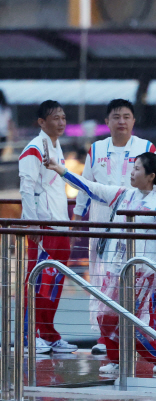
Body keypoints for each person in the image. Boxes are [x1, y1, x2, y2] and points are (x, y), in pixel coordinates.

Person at [44, 152, 156, 374]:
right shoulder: (124, 195)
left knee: (130, 322)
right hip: (117, 269)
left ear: (151, 176)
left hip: (142, 273)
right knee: (105, 316)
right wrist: (60, 169)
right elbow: (90, 188)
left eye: (137, 169)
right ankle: (117, 361)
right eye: (132, 168)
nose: (132, 172)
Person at [72, 99, 156, 355]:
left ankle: (144, 333)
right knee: (102, 282)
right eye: (116, 117)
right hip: (102, 222)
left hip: (136, 223)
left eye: (126, 116)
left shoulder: (146, 147)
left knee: (138, 282)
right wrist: (76, 218)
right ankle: (105, 338)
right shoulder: (96, 149)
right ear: (107, 121)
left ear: (133, 121)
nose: (121, 122)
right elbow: (86, 185)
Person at [18, 100, 77, 354]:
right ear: (42, 122)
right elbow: (26, 188)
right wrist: (32, 222)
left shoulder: (56, 145)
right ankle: (27, 337)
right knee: (36, 279)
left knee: (54, 282)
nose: (61, 123)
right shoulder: (33, 149)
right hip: (42, 224)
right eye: (55, 118)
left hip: (60, 224)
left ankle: (49, 334)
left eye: (63, 118)